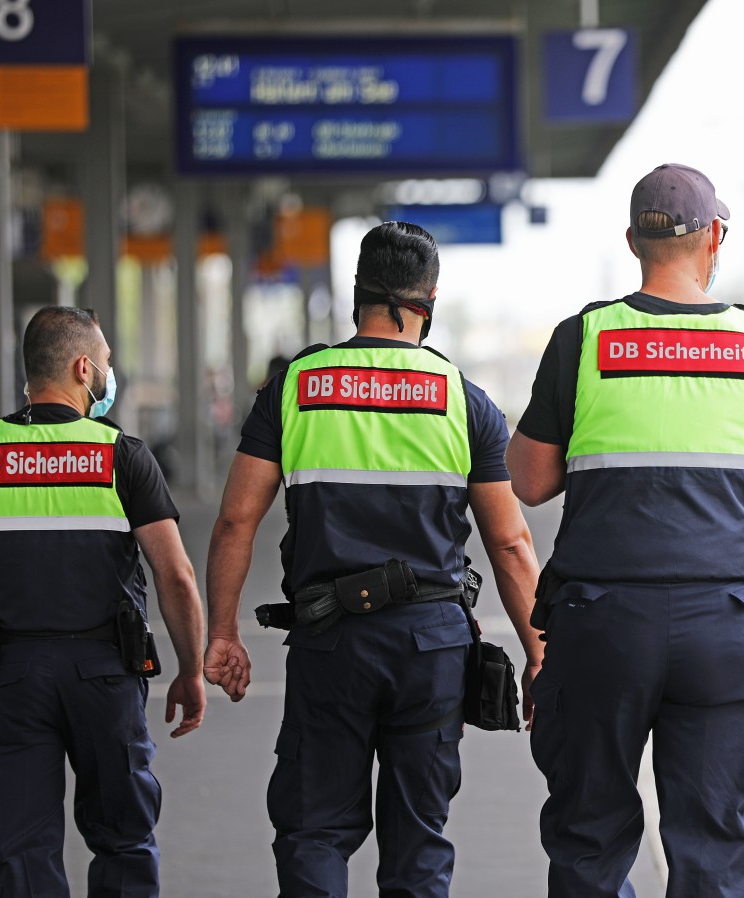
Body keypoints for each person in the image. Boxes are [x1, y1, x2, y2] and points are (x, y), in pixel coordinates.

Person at [204, 221, 544, 898]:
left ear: (357, 293)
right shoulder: (464, 402)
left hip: (330, 643)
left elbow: (237, 519)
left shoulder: (296, 386)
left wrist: (222, 633)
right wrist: (539, 653)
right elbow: (510, 544)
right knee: (418, 843)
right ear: (430, 300)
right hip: (430, 648)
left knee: (314, 831)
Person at [508, 163, 744, 898]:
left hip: (602, 625)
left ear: (632, 240)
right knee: (712, 842)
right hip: (726, 627)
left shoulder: (582, 339)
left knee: (589, 835)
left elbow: (529, 480)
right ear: (713, 238)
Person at [0, 306, 207, 897]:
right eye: (105, 364)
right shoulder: (121, 456)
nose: (108, 374)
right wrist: (192, 668)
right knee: (123, 838)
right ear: (83, 367)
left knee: (22, 848)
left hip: (11, 677)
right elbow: (175, 575)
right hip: (105, 675)